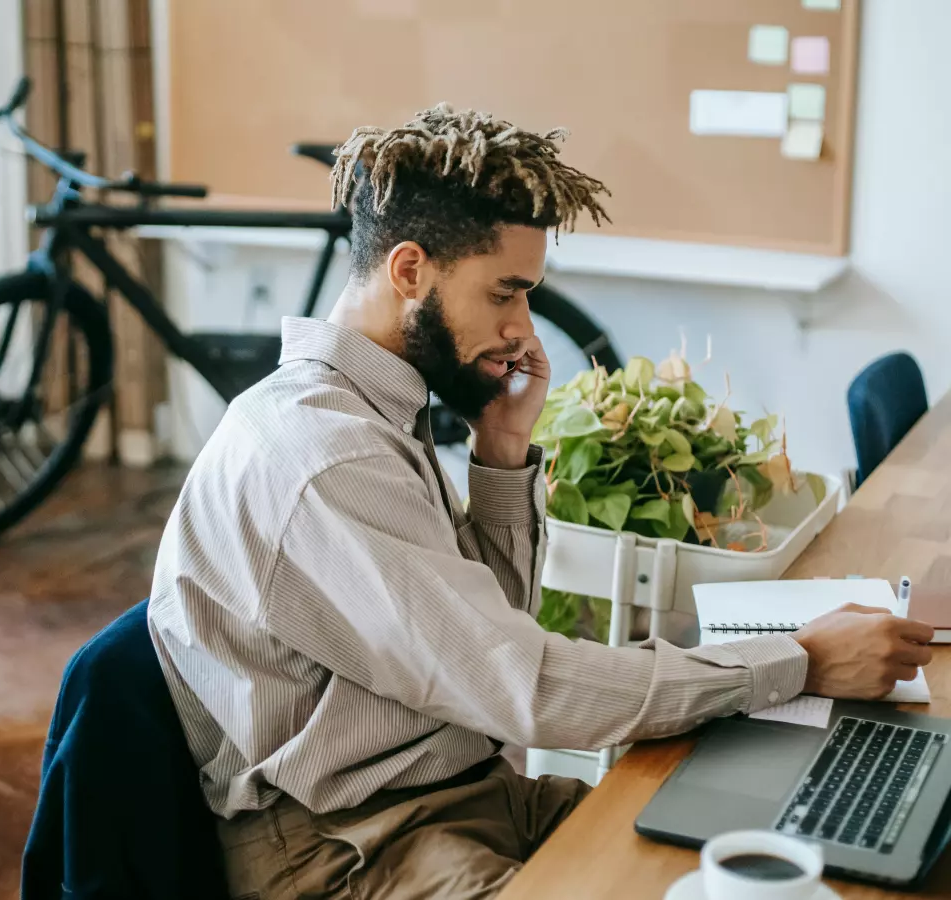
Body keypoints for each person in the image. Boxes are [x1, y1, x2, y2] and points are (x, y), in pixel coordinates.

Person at [147, 105, 934, 900]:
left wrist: (500, 450)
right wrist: (797, 661)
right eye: (505, 293)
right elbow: (527, 686)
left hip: (461, 792)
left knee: (737, 845)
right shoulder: (327, 457)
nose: (522, 329)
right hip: (355, 848)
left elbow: (493, 634)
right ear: (410, 270)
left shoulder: (375, 411)